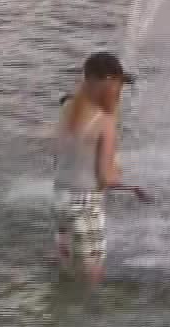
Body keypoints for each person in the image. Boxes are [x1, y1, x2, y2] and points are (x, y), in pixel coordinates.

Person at [52, 51, 150, 286]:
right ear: (107, 83)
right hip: (85, 204)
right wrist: (133, 187)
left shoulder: (68, 108)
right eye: (118, 84)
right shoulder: (105, 122)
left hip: (60, 199)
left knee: (66, 267)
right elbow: (105, 177)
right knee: (92, 276)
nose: (119, 91)